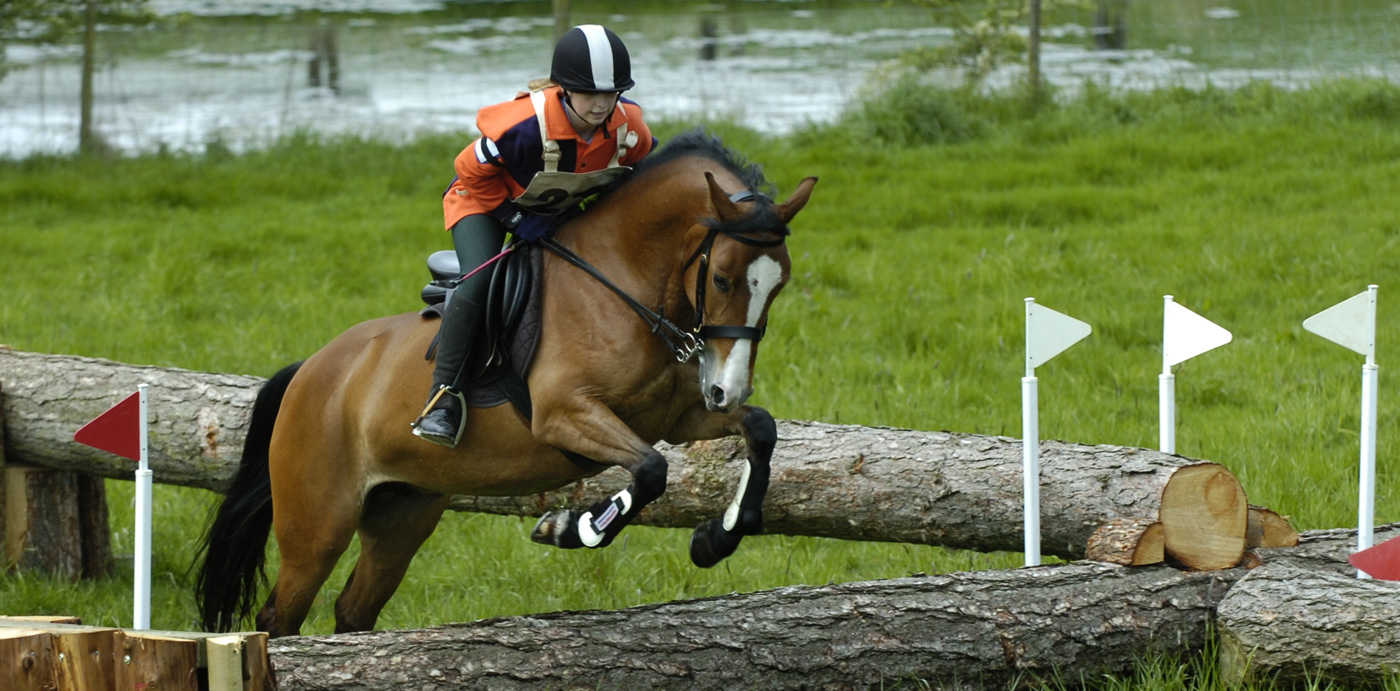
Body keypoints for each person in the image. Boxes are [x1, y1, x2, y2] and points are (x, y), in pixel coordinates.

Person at [413, 24, 658, 448]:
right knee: (478, 283)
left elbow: (643, 172)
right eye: (589, 93)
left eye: (612, 92)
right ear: (564, 89)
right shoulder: (524, 125)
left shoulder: (628, 126)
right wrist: (511, 218)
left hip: (553, 209)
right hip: (483, 204)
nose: (602, 104)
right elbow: (467, 169)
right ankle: (443, 396)